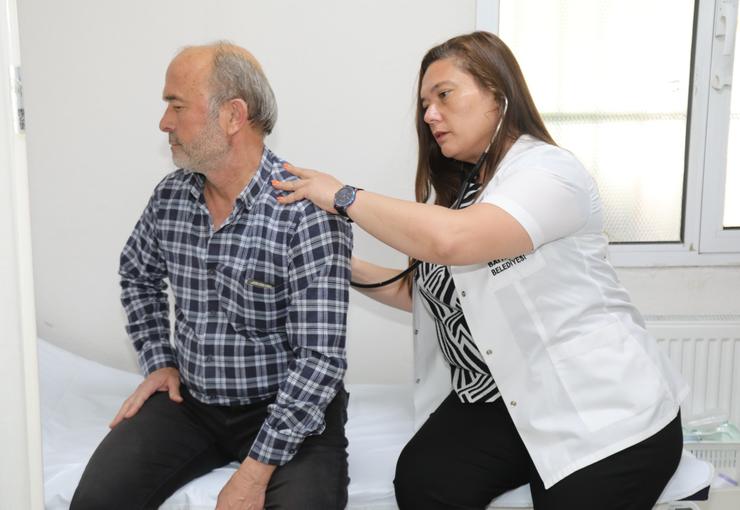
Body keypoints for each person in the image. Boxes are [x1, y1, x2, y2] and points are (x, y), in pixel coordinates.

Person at [272, 31, 688, 510]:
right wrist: (334, 264)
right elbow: (422, 294)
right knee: (424, 480)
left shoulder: (550, 174)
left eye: (444, 95)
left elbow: (454, 241)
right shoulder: (463, 195)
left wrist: (344, 197)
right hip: (502, 399)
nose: (430, 115)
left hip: (596, 404)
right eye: (425, 104)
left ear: (498, 95)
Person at [70, 42, 353, 510]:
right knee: (95, 502)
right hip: (194, 405)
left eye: (177, 106)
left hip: (287, 408)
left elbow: (320, 359)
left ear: (232, 116)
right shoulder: (171, 197)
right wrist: (159, 361)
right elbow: (137, 275)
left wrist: (255, 471)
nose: (164, 122)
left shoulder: (306, 213)